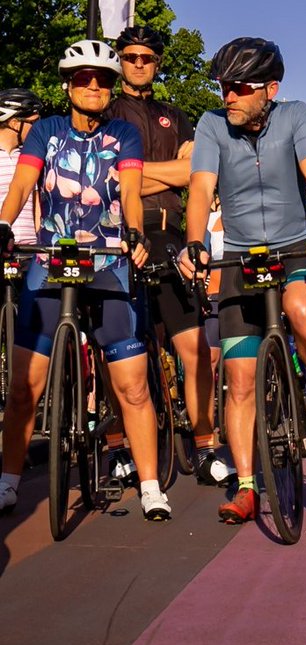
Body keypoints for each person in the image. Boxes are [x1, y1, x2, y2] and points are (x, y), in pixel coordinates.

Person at [177, 37, 306, 525]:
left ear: (270, 89)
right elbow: (201, 187)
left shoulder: (296, 116)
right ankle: (248, 486)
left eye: (239, 87)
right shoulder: (212, 125)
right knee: (241, 380)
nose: (227, 95)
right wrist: (194, 243)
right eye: (223, 86)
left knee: (301, 307)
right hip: (239, 261)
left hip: (294, 250)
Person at [0, 40, 163, 519]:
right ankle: (8, 481)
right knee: (23, 387)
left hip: (109, 261)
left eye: (103, 79)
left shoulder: (125, 133)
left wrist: (133, 232)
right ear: (67, 84)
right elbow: (23, 184)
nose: (93, 86)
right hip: (50, 258)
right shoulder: (45, 131)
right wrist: (5, 224)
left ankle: (152, 485)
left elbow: (131, 191)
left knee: (132, 386)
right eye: (82, 78)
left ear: (112, 87)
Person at [107, 25, 228, 487]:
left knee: (194, 348)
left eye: (148, 57)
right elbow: (113, 184)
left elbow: (196, 177)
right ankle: (118, 444)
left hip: (171, 236)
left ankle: (204, 445)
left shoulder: (176, 117)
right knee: (119, 351)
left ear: (157, 62)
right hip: (120, 237)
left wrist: (135, 174)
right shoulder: (107, 113)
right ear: (121, 59)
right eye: (132, 56)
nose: (139, 63)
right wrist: (168, 175)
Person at [0, 89, 43, 247]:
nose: (38, 128)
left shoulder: (28, 157)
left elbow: (36, 205)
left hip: (29, 251)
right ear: (14, 123)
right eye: (34, 123)